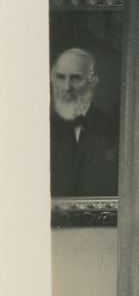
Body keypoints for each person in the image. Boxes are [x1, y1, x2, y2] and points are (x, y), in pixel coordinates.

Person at [51, 44, 119, 196]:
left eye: (75, 78)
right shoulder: (44, 127)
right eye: (61, 77)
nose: (66, 87)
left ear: (92, 81)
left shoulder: (113, 130)